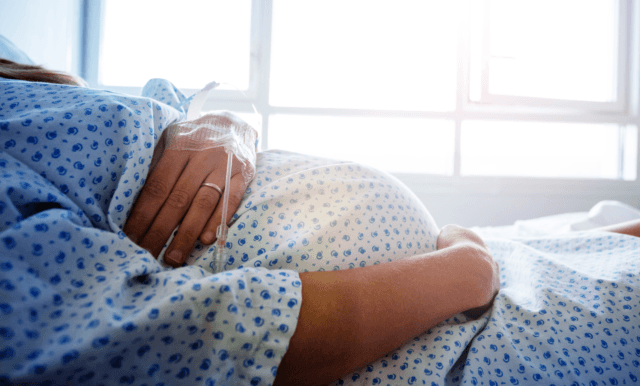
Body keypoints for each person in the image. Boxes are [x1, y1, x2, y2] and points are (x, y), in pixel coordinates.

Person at [1, 54, 639, 386]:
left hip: (462, 289)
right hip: (451, 334)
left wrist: (223, 128)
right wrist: (463, 273)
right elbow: (188, 341)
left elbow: (150, 121)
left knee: (595, 246)